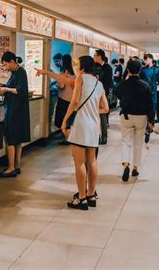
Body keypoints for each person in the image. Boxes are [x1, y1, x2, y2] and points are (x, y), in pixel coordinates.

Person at [62, 56, 108, 210]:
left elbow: (74, 101)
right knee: (92, 161)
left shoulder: (81, 78)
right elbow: (105, 108)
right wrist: (93, 111)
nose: (76, 65)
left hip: (81, 125)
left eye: (77, 63)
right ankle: (91, 194)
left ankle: (81, 198)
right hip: (95, 126)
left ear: (82, 66)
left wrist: (65, 120)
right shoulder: (99, 83)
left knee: (79, 163)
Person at [116, 59, 154, 181]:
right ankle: (135, 168)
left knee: (125, 141)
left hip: (126, 116)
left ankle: (126, 164)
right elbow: (150, 104)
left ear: (127, 70)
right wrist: (151, 120)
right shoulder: (145, 85)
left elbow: (118, 94)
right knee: (138, 143)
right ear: (140, 70)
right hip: (141, 117)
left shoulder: (123, 84)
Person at [0, 51, 31, 178]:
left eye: (5, 65)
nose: (5, 67)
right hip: (16, 109)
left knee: (10, 138)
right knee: (17, 139)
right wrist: (5, 87)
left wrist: (6, 89)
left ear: (12, 61)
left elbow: (21, 90)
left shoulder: (21, 72)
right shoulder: (16, 72)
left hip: (15, 110)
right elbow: (14, 87)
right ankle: (16, 165)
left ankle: (11, 168)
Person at [54, 54, 76, 145]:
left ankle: (67, 139)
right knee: (68, 121)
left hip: (63, 99)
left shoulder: (63, 72)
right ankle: (69, 138)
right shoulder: (73, 73)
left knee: (62, 120)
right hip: (71, 100)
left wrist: (56, 85)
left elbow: (61, 86)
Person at [93, 49, 113, 144]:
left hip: (103, 94)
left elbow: (108, 82)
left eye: (95, 55)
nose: (94, 57)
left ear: (99, 56)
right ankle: (95, 136)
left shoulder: (107, 67)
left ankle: (104, 137)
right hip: (93, 94)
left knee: (103, 115)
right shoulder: (93, 67)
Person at [141, 54, 159, 127]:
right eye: (144, 59)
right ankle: (146, 124)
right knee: (145, 109)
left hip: (154, 93)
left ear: (151, 59)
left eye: (146, 59)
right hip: (144, 93)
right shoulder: (143, 70)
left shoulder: (156, 69)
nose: (145, 61)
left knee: (153, 109)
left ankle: (151, 123)